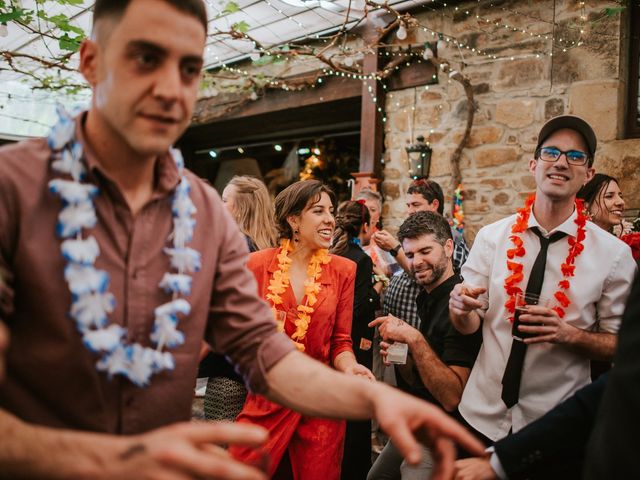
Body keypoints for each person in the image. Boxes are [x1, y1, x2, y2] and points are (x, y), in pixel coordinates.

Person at [0, 1, 484, 478]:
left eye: (189, 68)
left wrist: (374, 396)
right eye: (146, 58)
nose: (171, 88)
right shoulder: (14, 189)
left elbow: (265, 353)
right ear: (91, 62)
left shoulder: (203, 211)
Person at [449, 115, 637, 448]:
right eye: (551, 153)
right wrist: (461, 308)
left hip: (554, 427)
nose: (561, 163)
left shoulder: (614, 255)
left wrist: (569, 335)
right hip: (479, 417)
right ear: (533, 165)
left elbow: (622, 344)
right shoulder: (493, 237)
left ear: (588, 174)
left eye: (575, 156)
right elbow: (468, 324)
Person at [230, 181, 375, 479]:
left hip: (320, 406)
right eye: (318, 211)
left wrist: (351, 368)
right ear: (293, 219)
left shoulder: (344, 270)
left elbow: (341, 343)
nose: (329, 219)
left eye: (331, 211)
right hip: (268, 400)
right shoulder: (256, 265)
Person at [368, 212, 481, 480]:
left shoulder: (459, 305)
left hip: (444, 433)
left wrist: (413, 338)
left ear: (448, 247)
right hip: (417, 419)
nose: (416, 262)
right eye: (409, 254)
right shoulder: (427, 295)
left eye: (425, 251)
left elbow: (451, 397)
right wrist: (402, 356)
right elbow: (418, 381)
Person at [200, 175, 277, 421]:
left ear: (240, 207)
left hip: (227, 367)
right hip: (252, 366)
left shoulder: (238, 247)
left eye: (224, 200)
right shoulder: (268, 250)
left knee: (220, 442)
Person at [331, 199, 385, 480]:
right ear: (364, 226)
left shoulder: (330, 252)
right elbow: (360, 307)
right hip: (353, 344)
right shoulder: (360, 259)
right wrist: (378, 285)